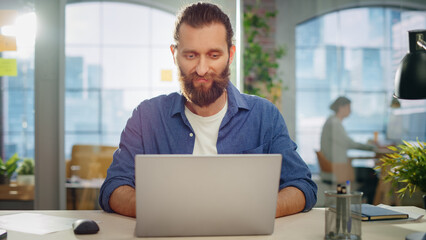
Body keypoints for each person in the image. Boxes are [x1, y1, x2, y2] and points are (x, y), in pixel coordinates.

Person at [99, 2, 317, 218]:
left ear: (230, 55)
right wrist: (164, 211)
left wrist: (252, 211)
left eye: (214, 55)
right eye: (191, 55)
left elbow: (302, 186)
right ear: (174, 55)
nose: (202, 69)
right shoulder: (146, 117)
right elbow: (114, 188)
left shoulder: (264, 116)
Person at [320, 96, 378, 203]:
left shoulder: (331, 121)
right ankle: (358, 201)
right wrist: (373, 147)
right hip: (338, 168)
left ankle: (352, 199)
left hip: (336, 165)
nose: (351, 111)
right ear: (341, 108)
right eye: (349, 108)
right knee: (373, 174)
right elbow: (349, 143)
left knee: (371, 174)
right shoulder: (334, 123)